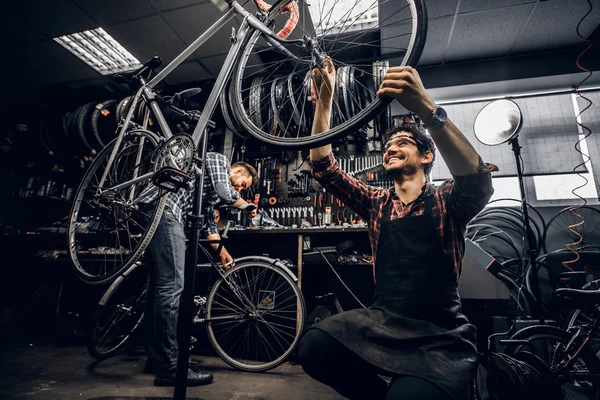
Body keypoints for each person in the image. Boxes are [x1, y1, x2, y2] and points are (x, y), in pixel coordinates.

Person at [297, 59, 498, 400]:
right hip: (384, 322)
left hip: (438, 334)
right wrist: (326, 102)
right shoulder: (377, 202)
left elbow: (477, 181)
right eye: (389, 145)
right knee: (314, 347)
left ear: (426, 157)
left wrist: (425, 107)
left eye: (403, 142)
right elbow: (323, 167)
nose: (391, 147)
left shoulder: (447, 200)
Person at [141, 152, 257, 386]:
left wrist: (222, 252)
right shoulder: (218, 160)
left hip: (155, 211)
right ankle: (170, 367)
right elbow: (226, 191)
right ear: (236, 170)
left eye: (243, 189)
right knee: (172, 286)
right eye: (243, 184)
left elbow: (207, 224)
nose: (240, 189)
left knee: (158, 287)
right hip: (165, 210)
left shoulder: (209, 194)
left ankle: (157, 358)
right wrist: (246, 205)